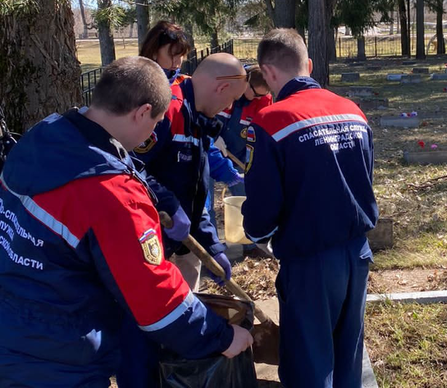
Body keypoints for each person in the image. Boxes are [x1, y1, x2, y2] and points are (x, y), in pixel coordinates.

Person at [0, 57, 252, 387]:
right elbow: (154, 298)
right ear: (141, 112)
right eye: (154, 123)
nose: (151, 133)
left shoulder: (43, 137)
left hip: (13, 327)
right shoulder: (110, 193)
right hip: (61, 352)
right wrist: (221, 337)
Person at [241, 29, 377, 388]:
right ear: (309, 65)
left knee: (309, 362)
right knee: (348, 351)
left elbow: (263, 206)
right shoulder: (353, 111)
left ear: (267, 72)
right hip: (357, 250)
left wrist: (257, 235)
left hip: (310, 259)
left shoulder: (270, 122)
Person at [133, 52, 248, 291]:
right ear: (222, 87)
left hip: (182, 241)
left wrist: (212, 245)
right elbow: (129, 167)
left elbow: (194, 190)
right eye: (232, 98)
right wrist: (169, 204)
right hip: (147, 244)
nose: (229, 107)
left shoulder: (198, 121)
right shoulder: (167, 110)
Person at [212, 65, 273, 259]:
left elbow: (261, 131)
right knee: (204, 202)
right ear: (245, 82)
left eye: (261, 96)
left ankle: (250, 244)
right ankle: (212, 247)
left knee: (246, 196)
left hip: (239, 154)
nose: (257, 99)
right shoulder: (225, 89)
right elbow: (204, 112)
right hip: (211, 149)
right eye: (254, 94)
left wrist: (252, 161)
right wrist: (212, 136)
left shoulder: (263, 99)